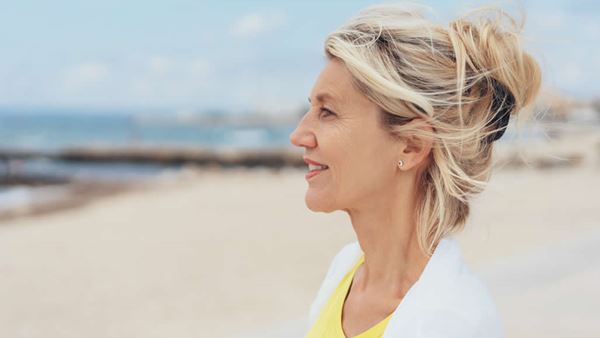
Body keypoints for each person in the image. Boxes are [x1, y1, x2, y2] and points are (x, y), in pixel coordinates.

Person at [289, 3, 541, 338]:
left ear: (411, 146)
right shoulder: (345, 272)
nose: (298, 136)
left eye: (328, 112)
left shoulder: (453, 322)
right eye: (312, 109)